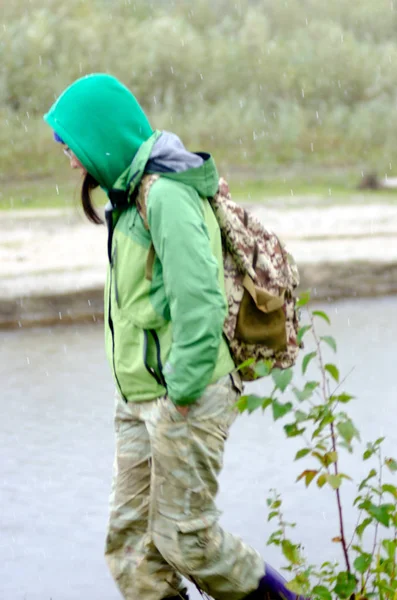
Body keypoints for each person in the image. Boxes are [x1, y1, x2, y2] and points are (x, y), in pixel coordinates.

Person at [44, 74, 306, 600]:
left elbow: (201, 303)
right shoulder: (127, 198)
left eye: (72, 145)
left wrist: (181, 394)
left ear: (102, 137)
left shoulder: (165, 196)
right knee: (131, 549)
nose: (71, 160)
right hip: (140, 399)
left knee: (188, 541)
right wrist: (135, 395)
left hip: (187, 395)